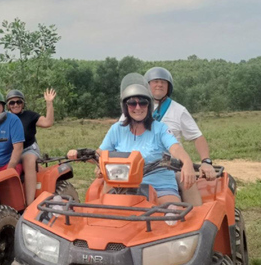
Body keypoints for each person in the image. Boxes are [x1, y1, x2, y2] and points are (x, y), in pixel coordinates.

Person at [69, 74, 196, 206]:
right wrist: (79, 154)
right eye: (132, 103)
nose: (138, 107)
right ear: (125, 106)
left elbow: (174, 147)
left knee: (172, 213)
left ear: (149, 105)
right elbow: (100, 154)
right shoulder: (117, 129)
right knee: (105, 215)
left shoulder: (160, 128)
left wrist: (186, 162)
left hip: (159, 185)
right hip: (122, 187)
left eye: (142, 102)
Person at [144, 67, 216, 181]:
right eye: (155, 81)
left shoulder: (178, 110)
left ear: (169, 87)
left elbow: (197, 136)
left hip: (170, 166)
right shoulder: (136, 108)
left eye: (163, 82)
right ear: (147, 85)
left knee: (183, 189)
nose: (159, 85)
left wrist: (206, 161)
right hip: (141, 166)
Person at [6, 88, 56, 205]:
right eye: (12, 103)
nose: (15, 105)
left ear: (23, 103)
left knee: (28, 162)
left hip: (28, 148)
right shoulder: (5, 119)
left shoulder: (30, 116)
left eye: (18, 102)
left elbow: (47, 122)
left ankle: (30, 203)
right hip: (11, 151)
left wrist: (49, 103)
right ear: (8, 105)